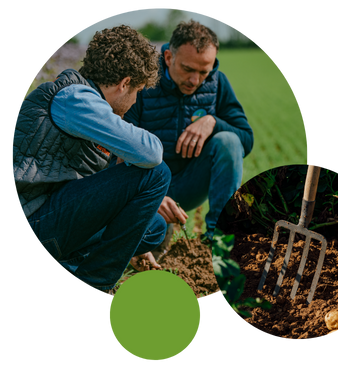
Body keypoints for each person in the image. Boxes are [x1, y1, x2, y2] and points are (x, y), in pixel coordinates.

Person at [10, 25, 171, 297]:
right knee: (157, 174)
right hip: (33, 221)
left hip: (50, 215)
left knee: (154, 228)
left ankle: (73, 262)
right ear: (124, 84)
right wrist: (123, 138)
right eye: (137, 91)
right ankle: (95, 283)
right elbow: (152, 153)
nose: (134, 101)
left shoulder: (83, 102)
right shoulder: (75, 98)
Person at [123, 19, 254, 247]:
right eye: (187, 69)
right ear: (168, 58)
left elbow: (246, 139)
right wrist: (150, 194)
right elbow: (120, 147)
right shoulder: (141, 82)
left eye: (204, 71)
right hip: (145, 186)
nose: (195, 80)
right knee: (147, 245)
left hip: (189, 183)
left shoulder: (218, 84)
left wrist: (213, 122)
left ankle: (218, 239)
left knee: (229, 141)